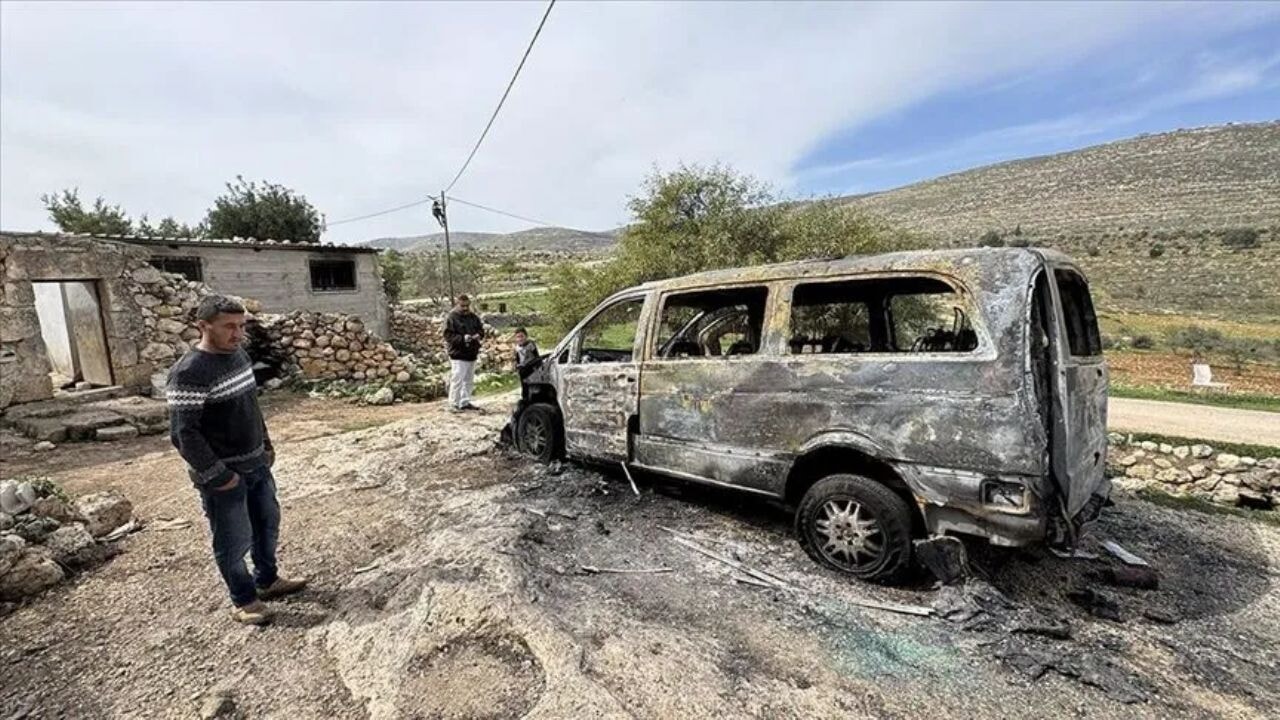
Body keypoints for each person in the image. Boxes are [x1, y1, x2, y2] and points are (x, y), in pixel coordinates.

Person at [167, 295, 306, 625]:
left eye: (241, 326)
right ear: (203, 326)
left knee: (266, 526)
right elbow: (184, 434)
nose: (238, 334)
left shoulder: (239, 355)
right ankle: (244, 600)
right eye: (229, 327)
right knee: (233, 541)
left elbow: (251, 408)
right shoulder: (188, 373)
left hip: (258, 465)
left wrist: (266, 445)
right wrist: (219, 475)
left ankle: (268, 580)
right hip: (225, 477)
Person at [443, 294, 484, 412]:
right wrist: (462, 338)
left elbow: (481, 330)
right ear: (457, 304)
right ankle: (453, 403)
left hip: (471, 353)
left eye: (467, 306)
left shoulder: (473, 317)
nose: (465, 308)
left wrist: (478, 335)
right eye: (462, 306)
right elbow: (448, 335)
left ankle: (464, 402)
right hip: (458, 354)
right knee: (457, 379)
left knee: (468, 380)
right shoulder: (451, 318)